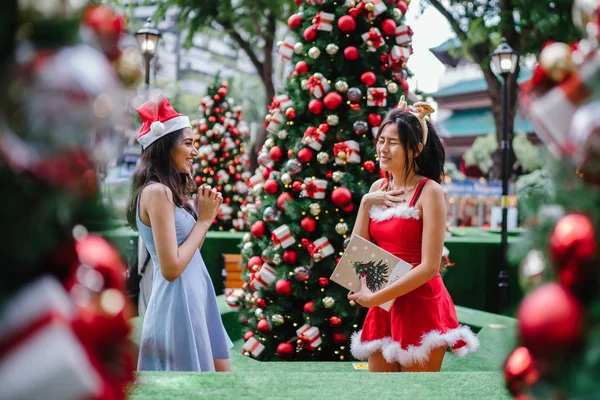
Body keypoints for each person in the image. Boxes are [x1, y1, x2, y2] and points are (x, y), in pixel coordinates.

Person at [348, 97, 479, 372]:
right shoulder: (378, 186)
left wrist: (376, 297)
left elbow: (430, 267)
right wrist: (365, 203)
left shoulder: (430, 192)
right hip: (383, 305)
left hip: (421, 306)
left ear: (416, 148)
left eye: (392, 142)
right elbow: (358, 253)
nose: (383, 148)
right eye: (381, 139)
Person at [126, 94, 233, 372]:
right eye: (188, 143)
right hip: (177, 304)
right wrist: (204, 221)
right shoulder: (157, 192)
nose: (195, 152)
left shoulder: (168, 193)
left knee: (219, 385)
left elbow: (188, 253)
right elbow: (171, 267)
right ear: (165, 146)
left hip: (193, 297)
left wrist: (201, 216)